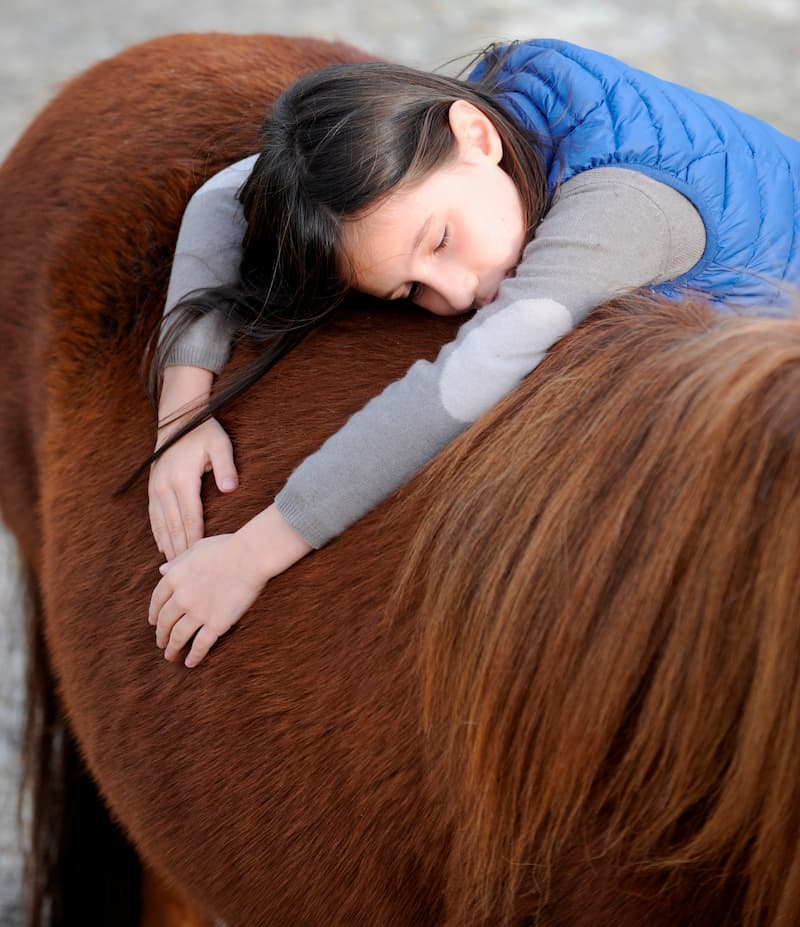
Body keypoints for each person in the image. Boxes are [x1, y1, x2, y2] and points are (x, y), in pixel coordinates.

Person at [146, 38, 800, 668]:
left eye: (439, 242)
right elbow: (226, 192)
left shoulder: (622, 212)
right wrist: (184, 403)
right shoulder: (455, 129)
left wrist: (252, 554)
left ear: (477, 137)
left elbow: (463, 382)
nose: (457, 293)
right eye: (410, 290)